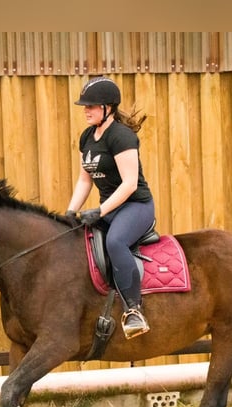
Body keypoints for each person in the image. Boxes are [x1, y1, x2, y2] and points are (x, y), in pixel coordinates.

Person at [66, 76, 155, 339]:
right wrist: (70, 212)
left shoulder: (122, 137)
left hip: (135, 206)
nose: (86, 110)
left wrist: (101, 211)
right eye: (85, 106)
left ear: (108, 108)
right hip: (110, 208)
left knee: (116, 242)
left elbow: (129, 184)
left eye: (91, 106)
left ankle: (134, 311)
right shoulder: (87, 137)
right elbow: (85, 179)